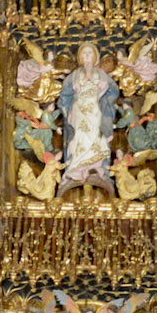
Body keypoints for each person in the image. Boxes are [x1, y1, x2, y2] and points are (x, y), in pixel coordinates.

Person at [57, 42, 119, 197]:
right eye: (84, 54)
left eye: (89, 53)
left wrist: (103, 86)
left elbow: (113, 92)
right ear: (79, 57)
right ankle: (76, 169)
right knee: (78, 137)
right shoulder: (75, 75)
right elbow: (64, 96)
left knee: (97, 136)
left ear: (95, 56)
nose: (87, 57)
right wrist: (75, 90)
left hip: (96, 111)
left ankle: (98, 168)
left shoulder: (101, 74)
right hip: (78, 111)